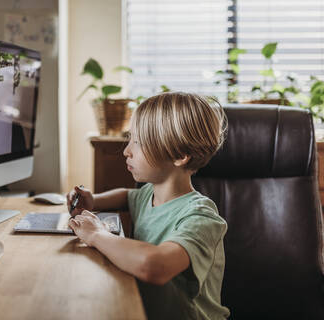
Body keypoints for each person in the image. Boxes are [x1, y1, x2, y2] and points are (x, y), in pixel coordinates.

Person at [67, 92, 230, 319]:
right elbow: (127, 196)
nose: (127, 150)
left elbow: (155, 266)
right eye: (130, 138)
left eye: (138, 142)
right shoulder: (149, 195)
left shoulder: (201, 218)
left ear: (180, 155)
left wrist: (97, 235)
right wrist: (94, 200)